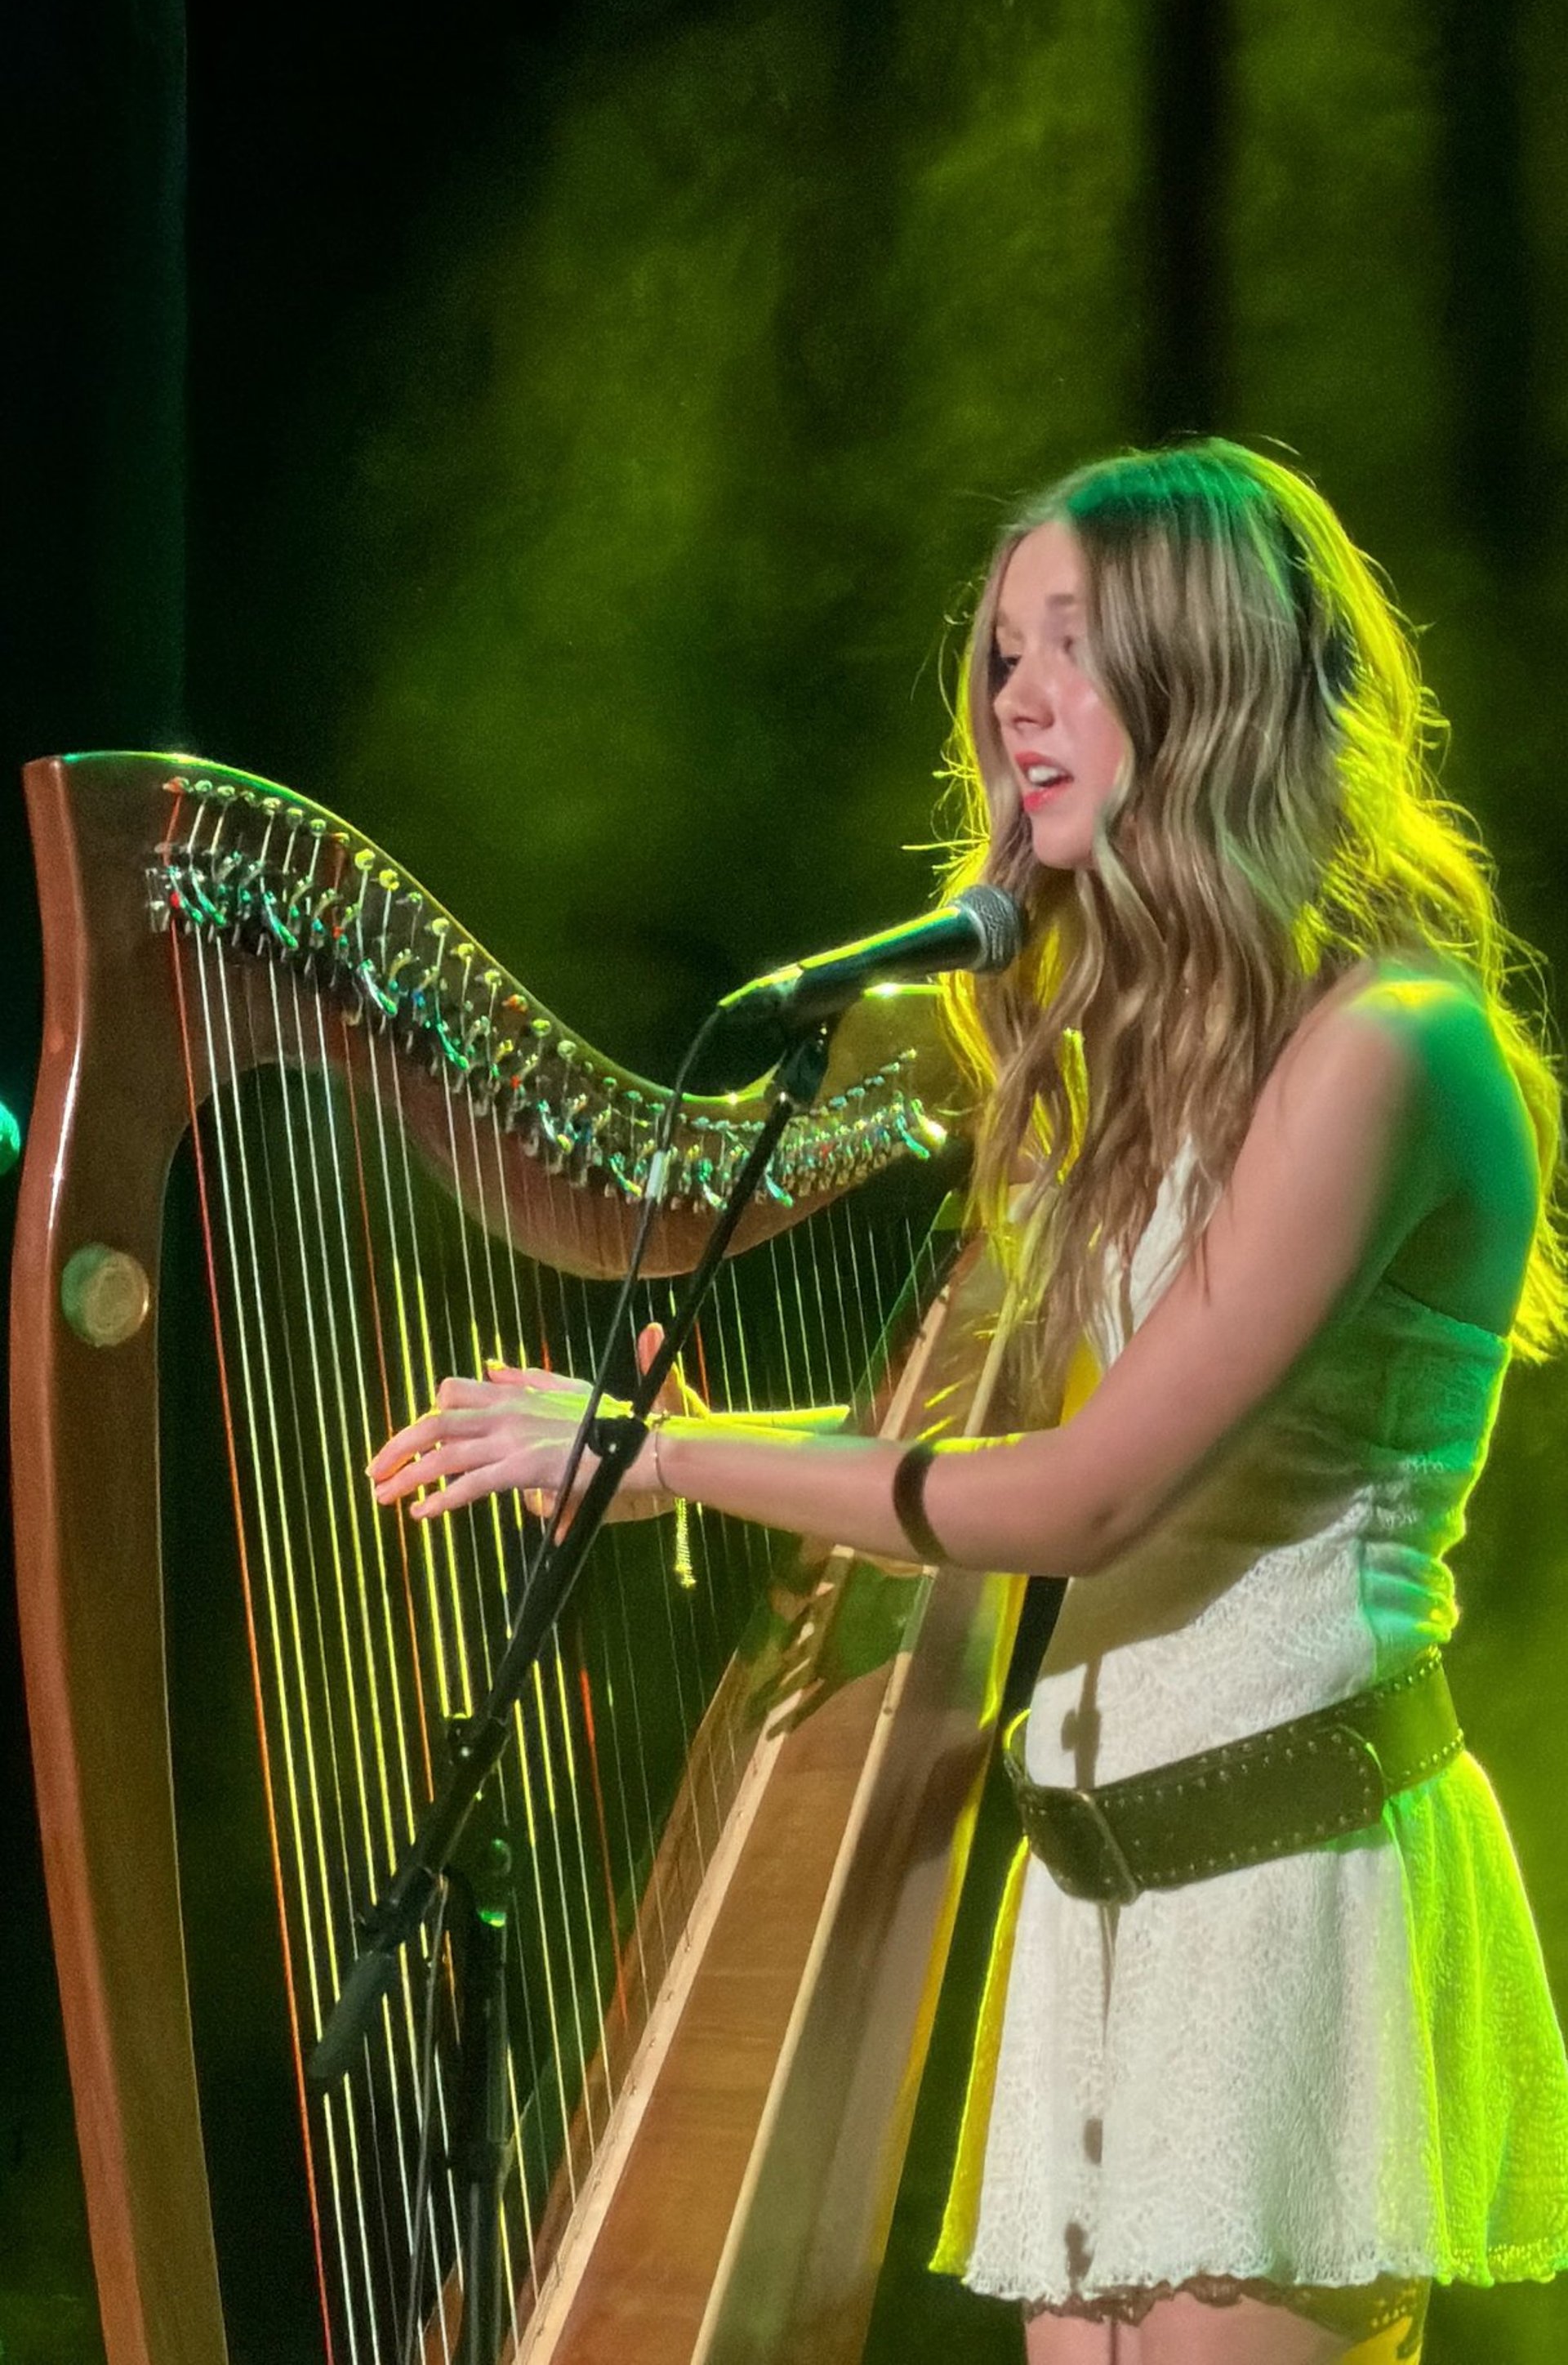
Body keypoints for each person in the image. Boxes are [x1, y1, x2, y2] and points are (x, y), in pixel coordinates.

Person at [368, 440, 1568, 2363]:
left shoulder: (1393, 1051)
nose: (1015, 696)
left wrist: (676, 1456)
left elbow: (1086, 1502)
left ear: (1217, 676)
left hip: (1284, 1908)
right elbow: (996, 1464)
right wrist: (651, 1457)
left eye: (1073, 646)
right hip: (1099, 1899)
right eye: (1002, 650)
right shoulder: (1135, 1054)